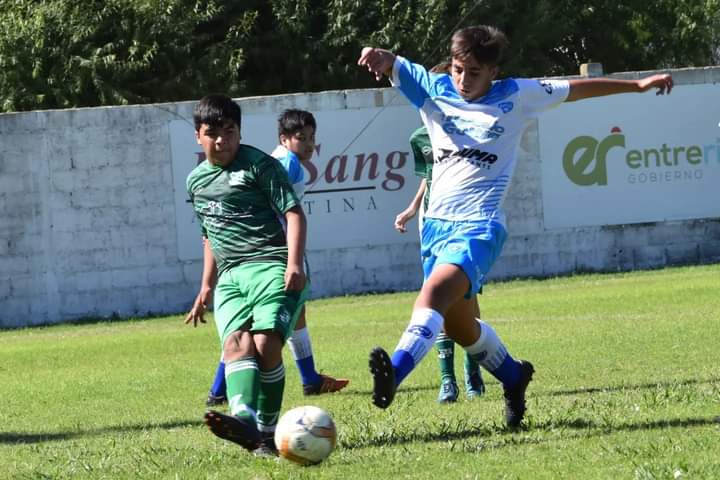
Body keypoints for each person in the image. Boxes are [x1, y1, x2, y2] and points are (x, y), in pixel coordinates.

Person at [358, 25, 673, 427]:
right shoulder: (433, 87)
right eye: (457, 69)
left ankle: (394, 375)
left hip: (479, 226)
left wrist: (639, 86)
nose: (462, 80)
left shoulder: (517, 96)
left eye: (473, 73)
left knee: (433, 294)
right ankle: (513, 375)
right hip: (435, 226)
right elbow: (393, 62)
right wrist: (379, 55)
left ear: (493, 71)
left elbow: (579, 88)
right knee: (460, 327)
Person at [191, 109, 349, 407]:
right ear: (284, 139)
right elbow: (282, 210)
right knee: (255, 332)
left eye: (312, 138)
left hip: (270, 257)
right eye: (301, 138)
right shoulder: (281, 163)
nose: (309, 144)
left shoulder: (282, 161)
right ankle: (224, 392)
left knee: (286, 320)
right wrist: (291, 261)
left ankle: (306, 380)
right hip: (268, 255)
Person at [186, 94, 308, 456]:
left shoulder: (260, 166)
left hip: (272, 265)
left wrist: (294, 263)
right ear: (198, 136)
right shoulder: (196, 182)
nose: (222, 140)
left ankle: (266, 434)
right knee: (235, 345)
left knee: (266, 344)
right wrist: (206, 285)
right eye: (213, 133)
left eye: (230, 131)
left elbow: (294, 214)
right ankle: (243, 419)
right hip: (231, 276)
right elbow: (209, 234)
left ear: (240, 132)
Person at [395, 124, 486, 404]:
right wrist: (412, 208)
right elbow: (430, 175)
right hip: (432, 223)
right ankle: (447, 380)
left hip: (466, 221)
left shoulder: (470, 128)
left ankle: (473, 369)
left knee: (466, 295)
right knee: (437, 298)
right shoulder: (418, 136)